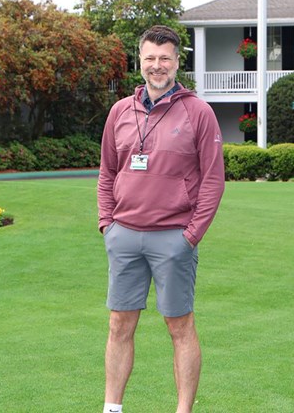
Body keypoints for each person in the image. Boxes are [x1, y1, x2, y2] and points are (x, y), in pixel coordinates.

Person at [97, 25, 225, 413]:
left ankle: (183, 410)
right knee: (119, 325)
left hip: (173, 239)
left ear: (176, 62)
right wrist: (108, 224)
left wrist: (190, 235)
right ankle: (112, 408)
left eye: (165, 58)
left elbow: (213, 180)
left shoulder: (198, 112)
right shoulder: (120, 111)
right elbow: (106, 172)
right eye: (150, 58)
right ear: (140, 62)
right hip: (125, 236)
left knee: (179, 326)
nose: (157, 66)